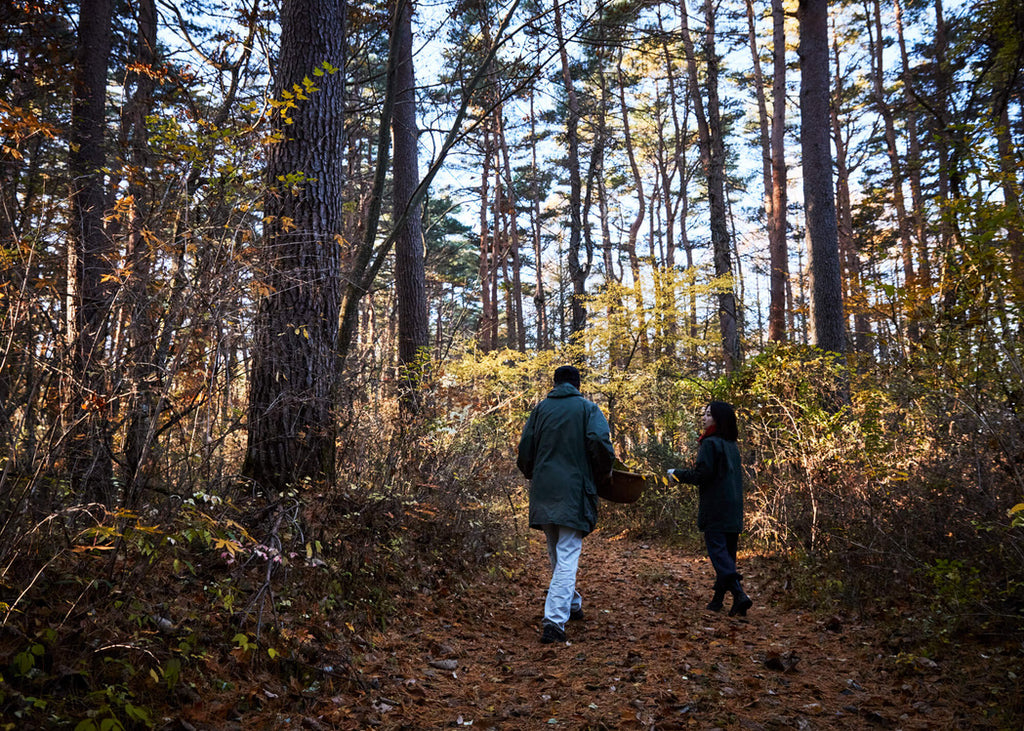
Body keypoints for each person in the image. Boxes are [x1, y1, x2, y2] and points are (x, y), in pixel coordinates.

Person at [517, 365, 615, 644]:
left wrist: (531, 472)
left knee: (556, 552)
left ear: (556, 383)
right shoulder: (588, 409)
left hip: (544, 489)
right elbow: (598, 441)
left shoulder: (540, 410)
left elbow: (525, 448)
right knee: (568, 554)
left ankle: (571, 604)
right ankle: (554, 622)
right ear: (577, 384)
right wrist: (603, 470)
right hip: (574, 490)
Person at [668, 401, 753, 617]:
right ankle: (718, 601)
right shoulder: (731, 445)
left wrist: (676, 473)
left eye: (708, 414)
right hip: (733, 508)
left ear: (718, 419)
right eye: (704, 414)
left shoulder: (710, 443)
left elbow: (701, 475)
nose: (703, 418)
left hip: (716, 508)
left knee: (719, 555)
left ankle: (739, 594)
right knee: (727, 556)